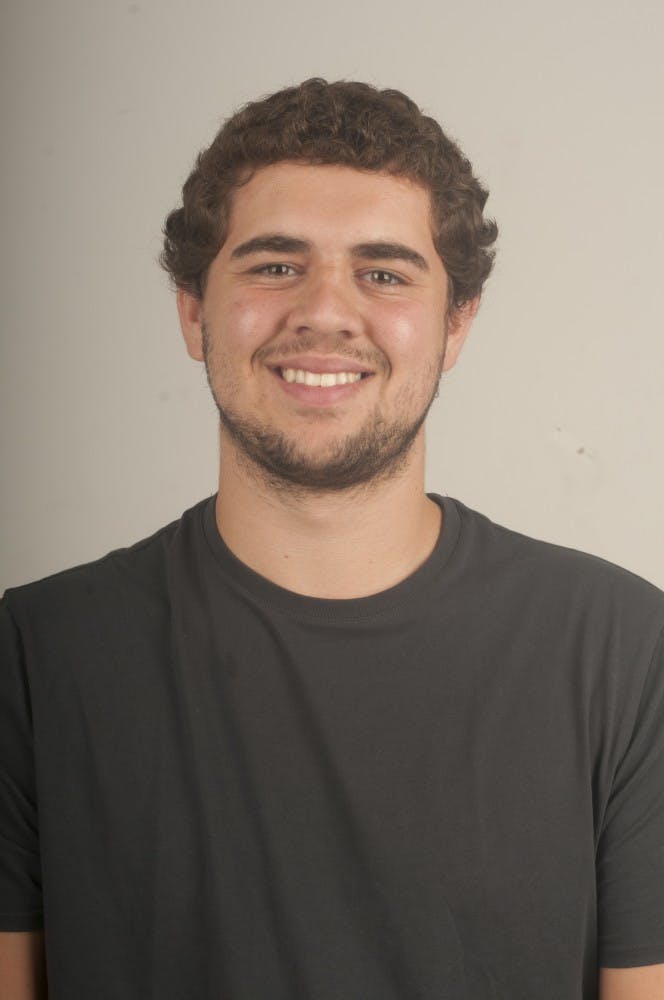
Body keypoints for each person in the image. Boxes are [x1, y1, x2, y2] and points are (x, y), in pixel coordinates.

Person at [1, 78, 662, 1000]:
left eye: (384, 273)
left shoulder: (624, 650)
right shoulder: (34, 657)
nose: (324, 311)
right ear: (192, 310)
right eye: (276, 265)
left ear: (456, 325)